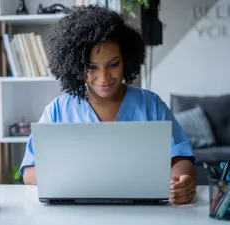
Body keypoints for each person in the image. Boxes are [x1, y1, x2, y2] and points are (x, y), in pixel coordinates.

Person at [19, 5, 196, 205]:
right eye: (92, 67)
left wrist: (182, 181)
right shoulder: (57, 110)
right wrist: (81, 178)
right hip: (77, 215)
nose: (104, 78)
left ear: (127, 60)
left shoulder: (150, 104)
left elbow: (181, 157)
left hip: (143, 214)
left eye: (113, 65)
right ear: (76, 66)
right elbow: (29, 171)